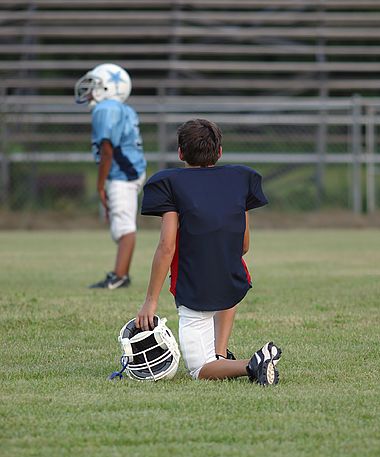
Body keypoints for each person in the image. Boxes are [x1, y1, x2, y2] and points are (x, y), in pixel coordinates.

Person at [135, 118, 282, 385]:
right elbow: (244, 244)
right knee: (227, 270)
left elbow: (167, 246)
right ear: (220, 152)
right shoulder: (239, 178)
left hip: (196, 287)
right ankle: (220, 352)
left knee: (199, 370)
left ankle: (254, 362)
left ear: (180, 153)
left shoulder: (169, 182)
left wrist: (150, 301)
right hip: (233, 277)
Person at [74, 63, 147, 289]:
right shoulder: (122, 109)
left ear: (108, 88)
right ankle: (120, 274)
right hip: (129, 171)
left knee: (124, 228)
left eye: (94, 85)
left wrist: (100, 185)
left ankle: (119, 276)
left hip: (122, 174)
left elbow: (107, 150)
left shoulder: (106, 109)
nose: (88, 90)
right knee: (120, 224)